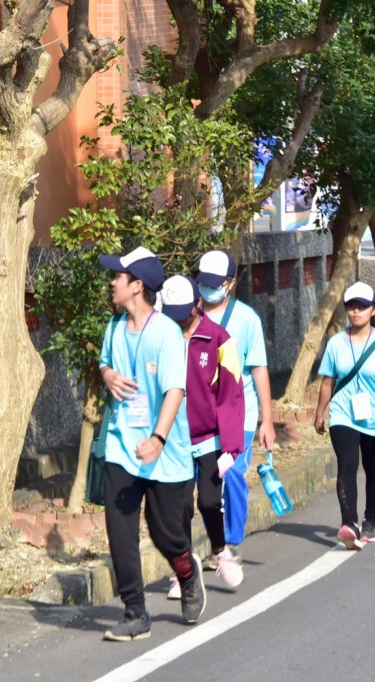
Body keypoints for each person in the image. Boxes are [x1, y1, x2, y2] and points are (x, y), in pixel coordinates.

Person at [97, 247, 206, 642]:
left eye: (118, 278)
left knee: (165, 534)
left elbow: (175, 391)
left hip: (164, 450)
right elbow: (105, 361)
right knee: (120, 531)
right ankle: (135, 614)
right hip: (122, 445)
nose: (112, 283)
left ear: (137, 286)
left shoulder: (166, 334)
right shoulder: (114, 326)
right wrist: (108, 374)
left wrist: (159, 438)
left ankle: (188, 574)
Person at [158, 275, 245, 598]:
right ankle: (182, 572)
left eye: (184, 309)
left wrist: (232, 446)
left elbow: (233, 394)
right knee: (179, 507)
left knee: (209, 501)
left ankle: (221, 551)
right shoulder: (163, 336)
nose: (178, 317)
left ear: (198, 303)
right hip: (175, 437)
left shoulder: (221, 339)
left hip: (210, 438)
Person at [196, 250, 276, 568]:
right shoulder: (186, 314)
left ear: (230, 283)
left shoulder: (246, 319)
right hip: (199, 416)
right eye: (203, 282)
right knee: (206, 482)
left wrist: (266, 421)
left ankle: (229, 542)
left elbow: (258, 370)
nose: (207, 288)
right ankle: (217, 542)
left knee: (231, 476)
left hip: (238, 415)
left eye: (214, 283)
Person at [312, 281, 375, 550]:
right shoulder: (336, 343)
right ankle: (349, 524)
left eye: (362, 306)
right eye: (351, 306)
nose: (356, 311)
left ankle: (370, 520)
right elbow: (327, 382)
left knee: (374, 469)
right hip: (343, 415)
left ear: (373, 310)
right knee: (347, 464)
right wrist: (320, 413)